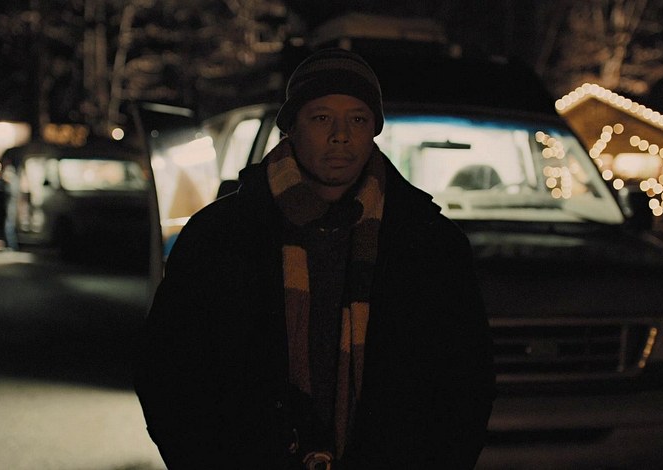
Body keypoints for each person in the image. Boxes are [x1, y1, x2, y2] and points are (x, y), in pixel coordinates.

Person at [135, 48, 495, 469]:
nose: (341, 135)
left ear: (374, 130)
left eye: (358, 119)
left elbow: (466, 381)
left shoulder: (430, 241)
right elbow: (168, 371)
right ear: (291, 127)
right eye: (322, 117)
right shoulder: (220, 236)